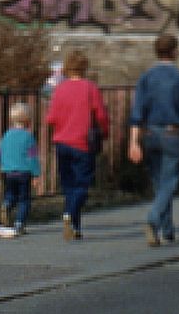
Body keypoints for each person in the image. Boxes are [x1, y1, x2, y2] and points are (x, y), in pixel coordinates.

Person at [128, 32, 179, 247]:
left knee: (159, 182)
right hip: (173, 133)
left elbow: (137, 112)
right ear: (175, 52)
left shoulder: (146, 78)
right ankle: (153, 220)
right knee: (169, 181)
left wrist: (133, 141)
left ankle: (167, 229)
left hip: (150, 133)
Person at [43, 51, 108, 241]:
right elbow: (101, 115)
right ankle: (70, 214)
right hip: (82, 143)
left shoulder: (60, 89)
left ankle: (74, 225)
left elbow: (51, 118)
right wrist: (104, 132)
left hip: (62, 141)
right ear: (84, 67)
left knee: (68, 184)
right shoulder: (90, 88)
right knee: (82, 184)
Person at [0, 101, 38, 238]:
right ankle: (19, 224)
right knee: (24, 199)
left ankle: (6, 205)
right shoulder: (29, 137)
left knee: (10, 194)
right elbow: (32, 157)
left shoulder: (6, 136)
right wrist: (36, 174)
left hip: (8, 172)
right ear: (28, 121)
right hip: (24, 172)